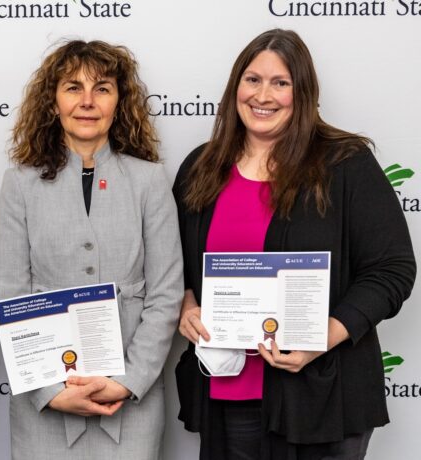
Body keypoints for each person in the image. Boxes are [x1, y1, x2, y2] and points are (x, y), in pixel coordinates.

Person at [173, 29, 416, 460]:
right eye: (252, 80)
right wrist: (187, 303)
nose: (263, 95)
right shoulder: (200, 168)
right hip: (228, 393)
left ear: (301, 93)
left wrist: (322, 336)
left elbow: (392, 269)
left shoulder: (346, 163)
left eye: (280, 83)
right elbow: (172, 266)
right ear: (235, 88)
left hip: (323, 396)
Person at [0, 39, 183, 459]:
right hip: (44, 406)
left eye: (103, 87)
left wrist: (127, 381)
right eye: (73, 87)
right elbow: (9, 296)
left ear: (120, 100)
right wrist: (50, 391)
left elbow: (167, 295)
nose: (88, 101)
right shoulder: (20, 184)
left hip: (131, 404)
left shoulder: (150, 181)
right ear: (53, 100)